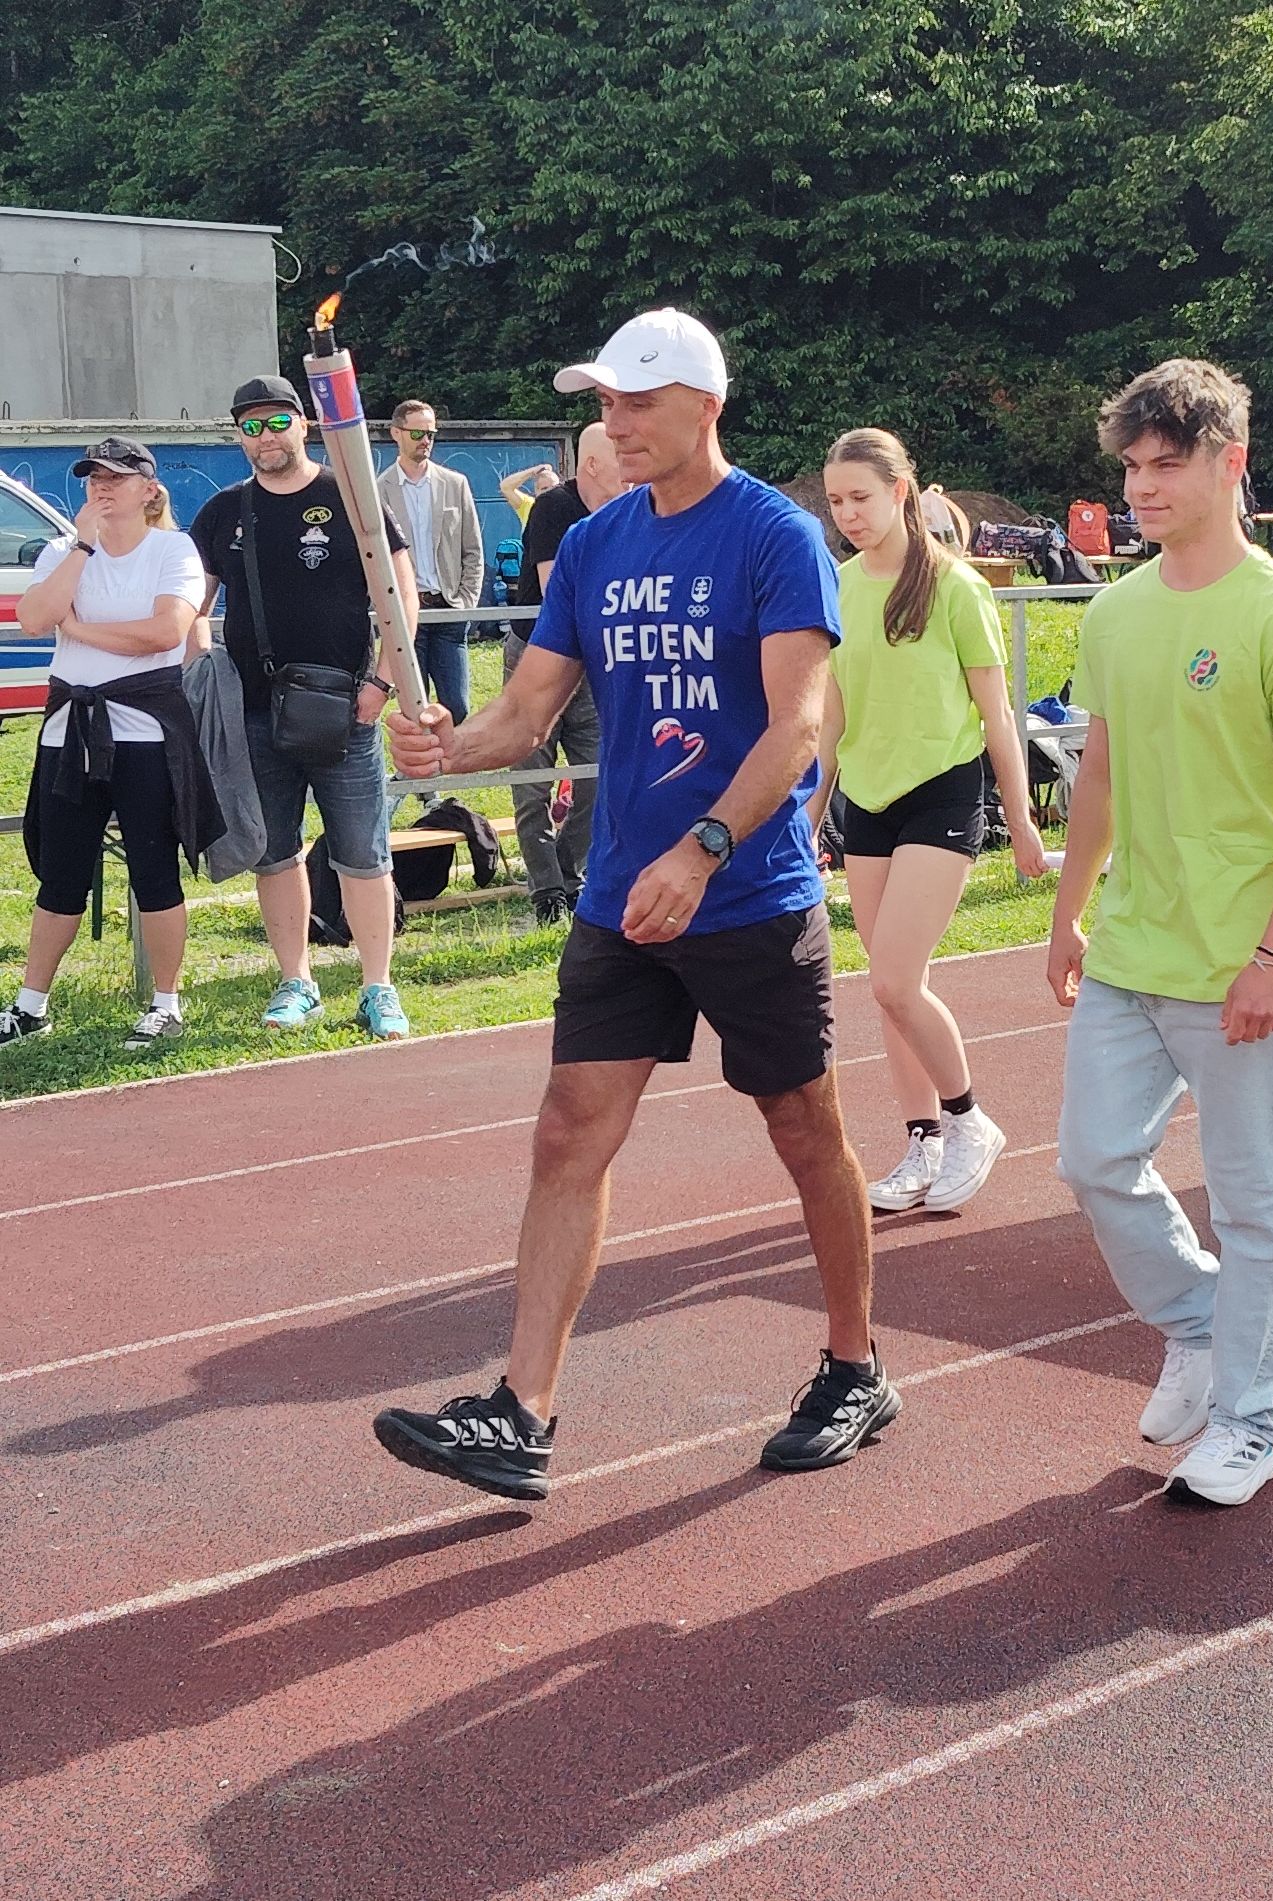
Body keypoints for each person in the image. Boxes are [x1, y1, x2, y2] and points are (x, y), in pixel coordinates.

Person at [371, 308, 891, 1500]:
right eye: (604, 404)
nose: (614, 423)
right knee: (569, 1130)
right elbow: (527, 712)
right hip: (620, 897)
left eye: (635, 403)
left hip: (745, 890)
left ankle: (855, 1364)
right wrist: (441, 751)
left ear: (704, 405)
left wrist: (705, 849)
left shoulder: (776, 536)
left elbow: (797, 724)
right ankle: (523, 1409)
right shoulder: (600, 542)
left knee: (804, 1130)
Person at [1047, 359, 1273, 1509]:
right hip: (1131, 946)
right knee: (1090, 1158)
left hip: (1237, 966)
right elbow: (1104, 775)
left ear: (1230, 464)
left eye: (1165, 464)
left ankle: (1249, 1421)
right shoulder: (1118, 609)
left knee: (1254, 1199)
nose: (1141, 487)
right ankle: (1195, 1321)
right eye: (1131, 467)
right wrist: (1068, 911)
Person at [808, 427, 1046, 1214]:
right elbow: (833, 706)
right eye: (836, 500)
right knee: (890, 991)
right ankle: (922, 1141)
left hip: (941, 792)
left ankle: (970, 1119)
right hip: (867, 800)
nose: (847, 512)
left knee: (894, 978)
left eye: (861, 497)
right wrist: (814, 802)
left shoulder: (954, 586)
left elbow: (997, 712)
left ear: (901, 492)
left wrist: (1019, 814)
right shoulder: (837, 585)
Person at [189, 373, 420, 1041]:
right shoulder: (225, 511)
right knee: (275, 854)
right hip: (256, 716)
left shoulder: (353, 499)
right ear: (238, 435)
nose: (265, 436)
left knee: (363, 853)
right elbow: (191, 607)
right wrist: (210, 680)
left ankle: (379, 986)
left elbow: (402, 599)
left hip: (348, 711)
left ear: (304, 424)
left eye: (276, 422)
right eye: (251, 426)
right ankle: (297, 981)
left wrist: (381, 686)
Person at [0, 438, 215, 1052]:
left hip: (144, 729)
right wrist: (82, 546)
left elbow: (164, 631)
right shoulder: (63, 551)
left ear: (148, 489)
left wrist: (84, 629)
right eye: (94, 475)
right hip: (71, 728)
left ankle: (165, 1003)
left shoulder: (173, 548)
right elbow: (36, 618)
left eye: (117, 477)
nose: (102, 486)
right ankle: (30, 1004)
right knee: (61, 872)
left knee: (153, 867)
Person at [506, 421, 620, 923]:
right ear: (592, 464)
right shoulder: (556, 507)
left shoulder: (628, 510)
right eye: (621, 454)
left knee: (598, 778)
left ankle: (570, 877)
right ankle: (546, 891)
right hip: (537, 657)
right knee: (533, 780)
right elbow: (559, 592)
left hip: (595, 659)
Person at [378, 400, 486, 724]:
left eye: (431, 433)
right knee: (414, 706)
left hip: (449, 608)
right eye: (417, 433)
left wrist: (466, 601)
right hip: (405, 612)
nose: (425, 440)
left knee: (458, 704)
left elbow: (473, 550)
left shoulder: (456, 484)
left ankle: (448, 766)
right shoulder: (378, 490)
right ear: (396, 433)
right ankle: (419, 773)